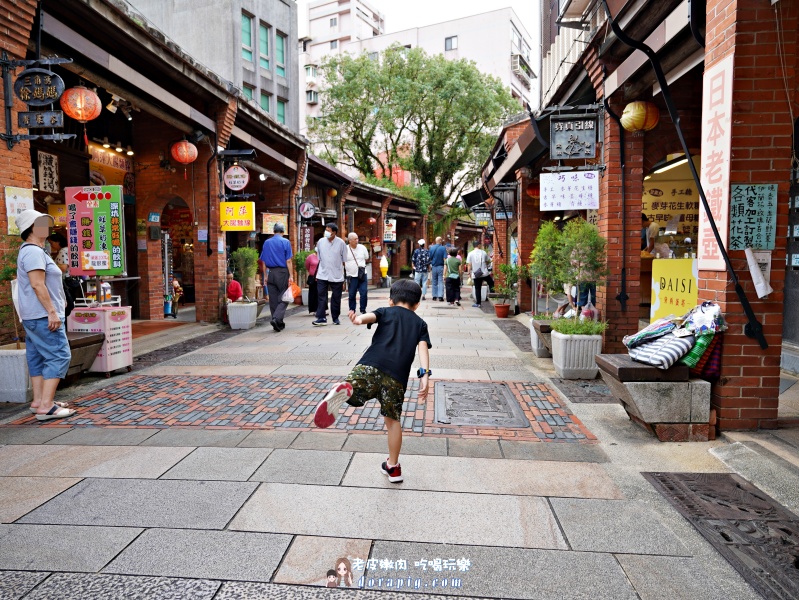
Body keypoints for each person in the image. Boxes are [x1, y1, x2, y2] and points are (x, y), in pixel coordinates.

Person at [313, 279, 431, 483]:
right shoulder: (420, 324)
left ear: (391, 301)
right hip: (397, 378)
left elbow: (368, 318)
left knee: (355, 389)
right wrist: (425, 376)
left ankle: (343, 389)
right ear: (417, 304)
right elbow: (422, 350)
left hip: (371, 365)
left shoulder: (386, 311)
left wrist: (357, 319)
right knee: (393, 422)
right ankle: (393, 467)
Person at [15, 209, 75, 421]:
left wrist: (59, 300)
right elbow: (37, 284)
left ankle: (39, 401)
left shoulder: (33, 250)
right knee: (59, 355)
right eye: (41, 223)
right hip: (42, 315)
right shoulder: (33, 252)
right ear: (31, 227)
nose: (46, 227)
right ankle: (47, 407)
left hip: (34, 315)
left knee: (38, 356)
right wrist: (52, 311)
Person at [259, 223, 293, 332]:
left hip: (270, 272)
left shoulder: (267, 242)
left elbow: (263, 260)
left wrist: (265, 275)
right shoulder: (285, 242)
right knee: (285, 297)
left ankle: (277, 323)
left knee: (273, 299)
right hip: (282, 272)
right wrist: (291, 275)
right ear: (283, 232)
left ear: (274, 231)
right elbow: (288, 260)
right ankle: (276, 318)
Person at [313, 223, 348, 326]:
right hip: (322, 273)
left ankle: (335, 317)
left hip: (336, 274)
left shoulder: (341, 243)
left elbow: (344, 259)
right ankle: (321, 317)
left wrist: (344, 274)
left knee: (336, 297)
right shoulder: (321, 241)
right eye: (326, 230)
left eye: (328, 230)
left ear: (334, 232)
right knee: (321, 296)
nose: (326, 232)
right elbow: (319, 257)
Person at [344, 232, 369, 314]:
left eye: (357, 238)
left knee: (364, 292)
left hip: (362, 274)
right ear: (350, 241)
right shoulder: (345, 249)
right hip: (351, 275)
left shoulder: (362, 248)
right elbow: (342, 261)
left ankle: (363, 309)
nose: (357, 240)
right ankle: (352, 309)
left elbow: (367, 257)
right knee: (351, 294)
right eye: (355, 239)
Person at [465, 241, 489, 308]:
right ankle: (493, 296)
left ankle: (478, 303)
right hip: (484, 273)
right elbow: (487, 261)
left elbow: (469, 264)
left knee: (477, 289)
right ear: (478, 245)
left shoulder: (470, 253)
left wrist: (469, 272)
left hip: (476, 274)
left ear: (473, 246)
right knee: (491, 283)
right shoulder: (483, 252)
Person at [427, 236, 447, 301]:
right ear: (440, 241)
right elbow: (445, 259)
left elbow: (429, 258)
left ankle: (434, 296)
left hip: (434, 266)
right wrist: (445, 267)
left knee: (434, 281)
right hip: (440, 266)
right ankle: (440, 296)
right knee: (440, 281)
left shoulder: (431, 248)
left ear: (436, 241)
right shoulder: (443, 248)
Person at [304, 248, 320, 315]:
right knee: (313, 294)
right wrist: (311, 272)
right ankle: (314, 309)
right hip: (313, 278)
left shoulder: (323, 256)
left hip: (321, 277)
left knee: (321, 294)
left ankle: (321, 309)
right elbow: (307, 265)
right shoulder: (310, 257)